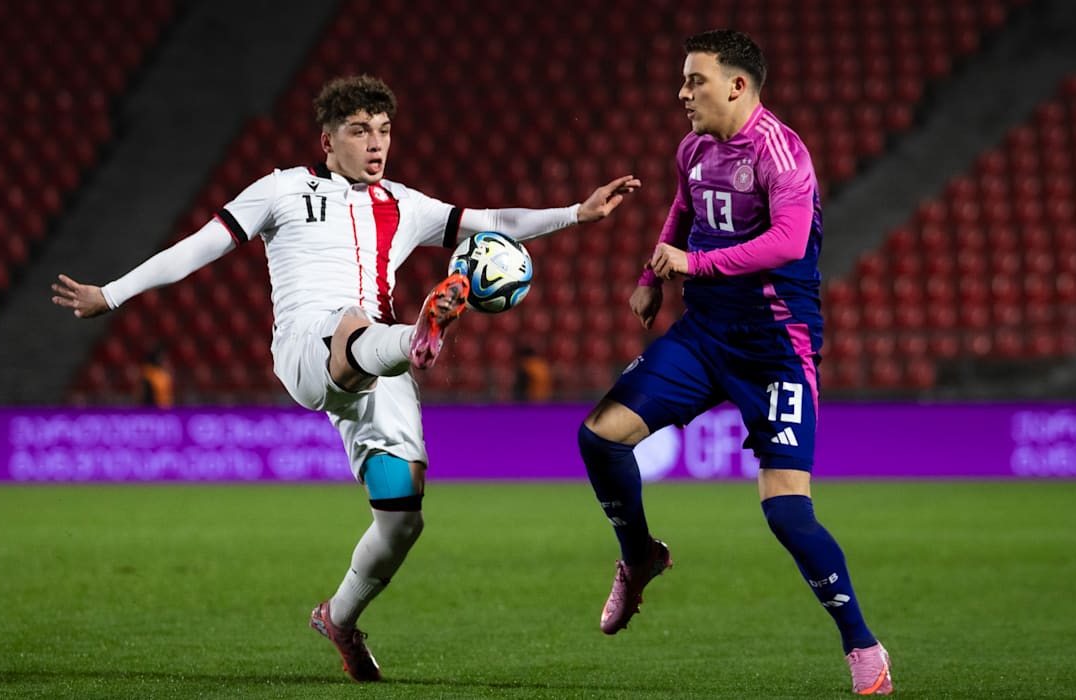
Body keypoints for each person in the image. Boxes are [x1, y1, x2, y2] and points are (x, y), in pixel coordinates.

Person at [51, 74, 640, 683]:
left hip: (377, 366)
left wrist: (577, 213)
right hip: (309, 344)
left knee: (402, 518)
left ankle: (339, 618)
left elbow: (490, 220)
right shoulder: (281, 189)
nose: (376, 143)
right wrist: (110, 294)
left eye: (383, 130)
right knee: (354, 321)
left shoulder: (404, 204)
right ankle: (417, 337)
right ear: (328, 140)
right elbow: (200, 246)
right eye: (360, 131)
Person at [577, 31, 892, 695]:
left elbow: (788, 242)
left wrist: (695, 264)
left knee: (788, 514)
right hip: (704, 335)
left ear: (737, 85)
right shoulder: (693, 148)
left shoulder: (782, 153)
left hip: (776, 349)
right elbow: (683, 207)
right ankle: (639, 558)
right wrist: (652, 275)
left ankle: (863, 645)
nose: (682, 93)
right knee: (600, 437)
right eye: (683, 81)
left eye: (695, 81)